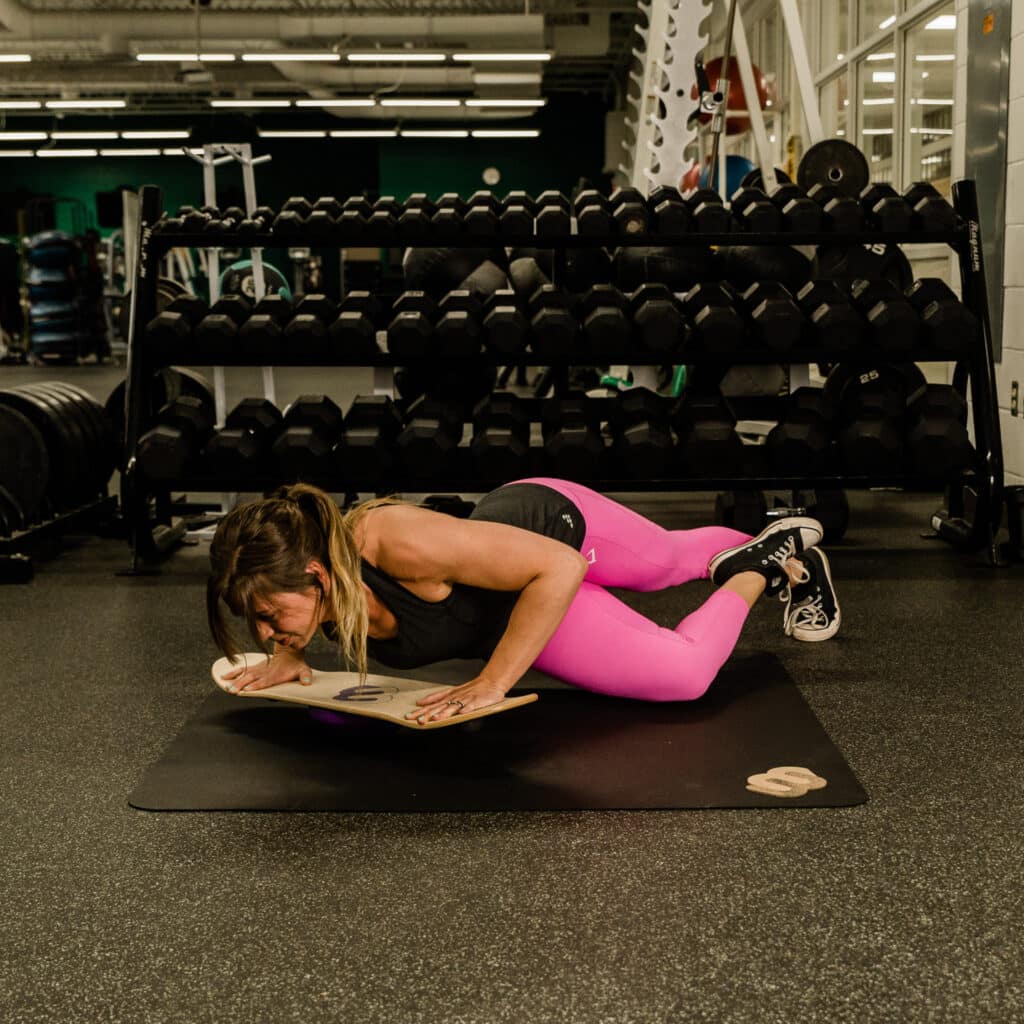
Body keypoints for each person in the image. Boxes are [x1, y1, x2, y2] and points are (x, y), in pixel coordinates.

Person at [207, 478, 840, 725]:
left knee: (670, 566)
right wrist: (292, 656)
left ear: (316, 574)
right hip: (518, 596)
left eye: (268, 616)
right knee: (679, 674)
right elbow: (298, 613)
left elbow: (558, 568)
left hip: (556, 534)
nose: (265, 630)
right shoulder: (319, 583)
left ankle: (767, 556)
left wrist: (493, 682)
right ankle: (779, 557)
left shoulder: (396, 542)